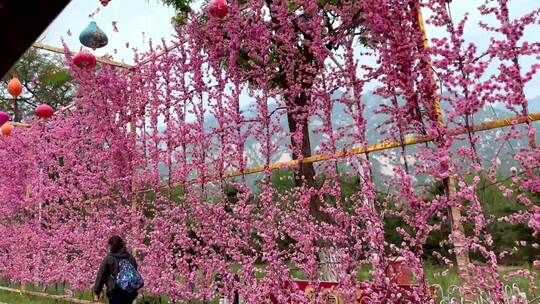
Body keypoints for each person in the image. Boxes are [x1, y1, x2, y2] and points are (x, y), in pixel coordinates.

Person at [93, 235, 139, 304]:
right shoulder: (130, 258)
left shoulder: (109, 259)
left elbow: (101, 275)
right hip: (129, 292)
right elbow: (134, 273)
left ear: (111, 246)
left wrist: (97, 292)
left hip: (114, 292)